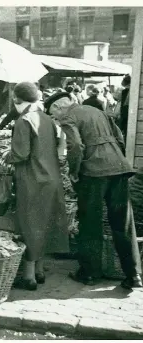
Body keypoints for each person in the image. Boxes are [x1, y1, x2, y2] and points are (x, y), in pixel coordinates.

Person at [44, 91, 143, 289]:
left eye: (53, 115)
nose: (56, 119)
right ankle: (133, 275)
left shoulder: (68, 117)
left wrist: (74, 171)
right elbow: (119, 137)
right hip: (119, 168)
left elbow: (77, 147)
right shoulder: (96, 110)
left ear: (57, 107)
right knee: (123, 222)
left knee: (90, 223)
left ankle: (89, 273)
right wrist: (116, 158)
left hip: (93, 174)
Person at [3, 82, 68, 291]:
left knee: (30, 224)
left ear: (18, 100)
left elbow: (21, 154)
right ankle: (39, 271)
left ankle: (29, 277)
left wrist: (7, 155)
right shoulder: (48, 119)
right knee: (46, 223)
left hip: (33, 179)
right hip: (52, 179)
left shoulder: (24, 120)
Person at [119, 74, 131, 139]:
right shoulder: (125, 92)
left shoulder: (124, 92)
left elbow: (123, 106)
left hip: (125, 115)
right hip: (126, 114)